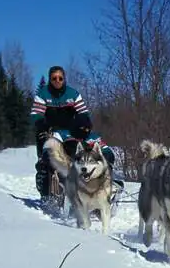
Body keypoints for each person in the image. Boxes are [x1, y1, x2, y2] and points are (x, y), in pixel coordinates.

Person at [30, 65, 121, 199]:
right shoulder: (43, 94)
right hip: (50, 129)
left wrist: (83, 126)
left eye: (60, 78)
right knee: (47, 158)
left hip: (72, 129)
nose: (57, 81)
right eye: (54, 78)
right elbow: (36, 114)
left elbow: (83, 113)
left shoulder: (73, 94)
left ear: (64, 79)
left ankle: (101, 189)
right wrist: (42, 124)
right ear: (50, 79)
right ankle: (47, 191)